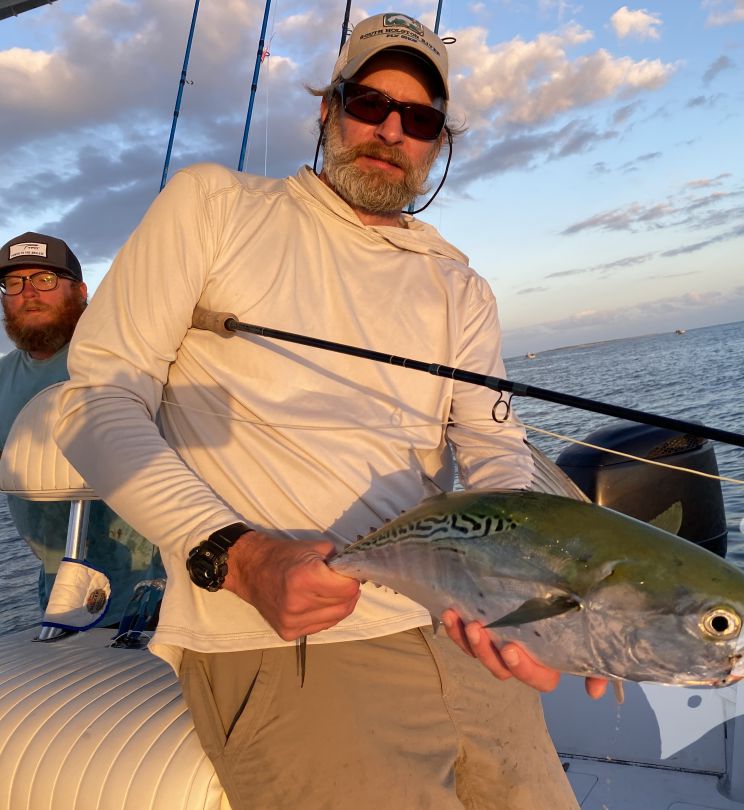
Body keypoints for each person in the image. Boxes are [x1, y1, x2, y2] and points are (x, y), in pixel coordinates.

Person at [55, 12, 598, 809]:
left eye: (419, 119)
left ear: (437, 143)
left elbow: (494, 452)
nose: (389, 129)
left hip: (453, 627)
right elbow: (96, 397)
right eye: (368, 101)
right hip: (288, 636)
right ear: (326, 108)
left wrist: (528, 610)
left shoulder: (460, 285)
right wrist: (237, 556)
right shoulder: (213, 208)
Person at [0, 231, 163, 628]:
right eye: (14, 282)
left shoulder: (129, 351)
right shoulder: (3, 376)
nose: (29, 293)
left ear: (81, 289)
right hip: (59, 591)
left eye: (45, 279)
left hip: (156, 588)